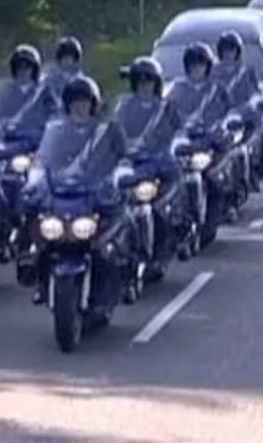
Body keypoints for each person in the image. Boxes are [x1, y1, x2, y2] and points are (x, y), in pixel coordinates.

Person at [26, 75, 135, 305]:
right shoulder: (56, 130)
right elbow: (43, 159)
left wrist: (119, 175)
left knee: (125, 224)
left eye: (85, 102)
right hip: (63, 196)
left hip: (97, 196)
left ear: (93, 105)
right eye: (75, 103)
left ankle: (128, 279)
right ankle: (38, 278)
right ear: (67, 105)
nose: (80, 107)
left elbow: (123, 157)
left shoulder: (108, 129)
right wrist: (35, 179)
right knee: (37, 224)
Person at [111, 57, 183, 264]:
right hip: (129, 166)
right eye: (140, 81)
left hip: (158, 167)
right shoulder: (122, 106)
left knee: (164, 206)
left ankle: (170, 238)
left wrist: (175, 147)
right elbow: (109, 129)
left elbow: (179, 133)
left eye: (149, 81)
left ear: (157, 84)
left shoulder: (167, 108)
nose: (145, 86)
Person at [210, 31, 263, 192]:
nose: (229, 54)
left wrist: (252, 109)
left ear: (238, 52)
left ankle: (251, 174)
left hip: (243, 118)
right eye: (226, 51)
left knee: (249, 144)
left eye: (232, 50)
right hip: (221, 118)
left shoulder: (247, 71)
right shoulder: (213, 72)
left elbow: (255, 94)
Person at [43, 36, 86, 105]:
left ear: (75, 58)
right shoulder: (50, 73)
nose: (67, 59)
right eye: (65, 55)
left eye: (70, 56)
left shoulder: (79, 78)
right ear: (60, 56)